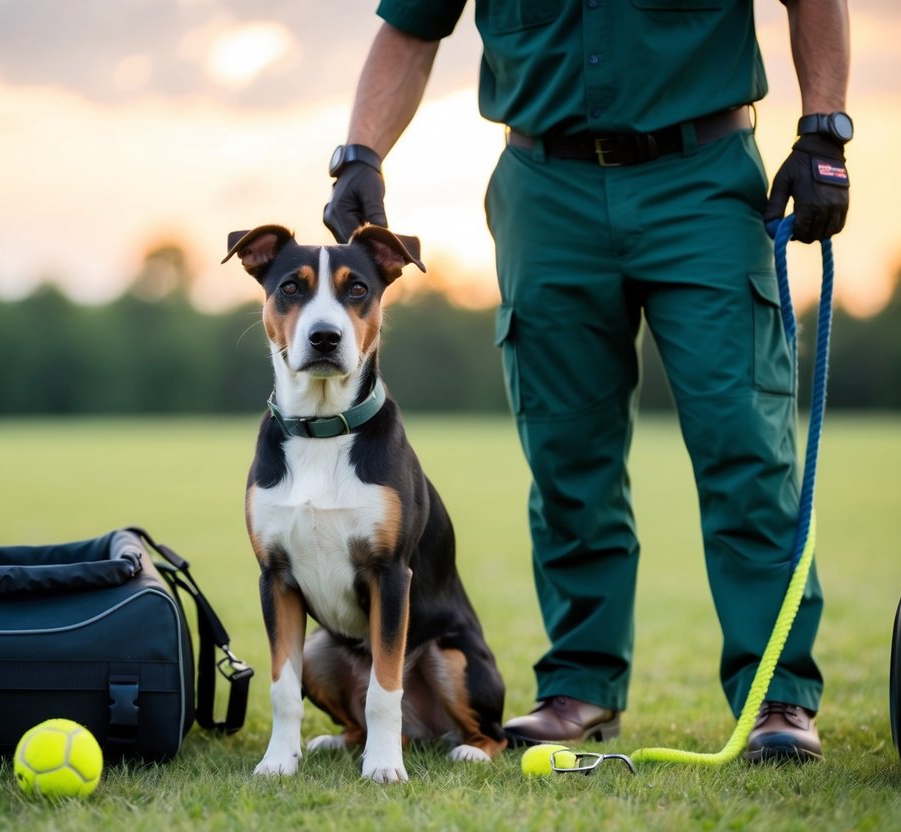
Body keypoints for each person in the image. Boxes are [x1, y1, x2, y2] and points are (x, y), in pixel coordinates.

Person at [322, 0, 850, 763]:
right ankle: (581, 686)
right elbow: (410, 27)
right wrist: (360, 154)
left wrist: (823, 130)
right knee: (567, 458)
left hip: (702, 178)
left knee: (746, 447)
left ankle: (778, 696)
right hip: (545, 189)